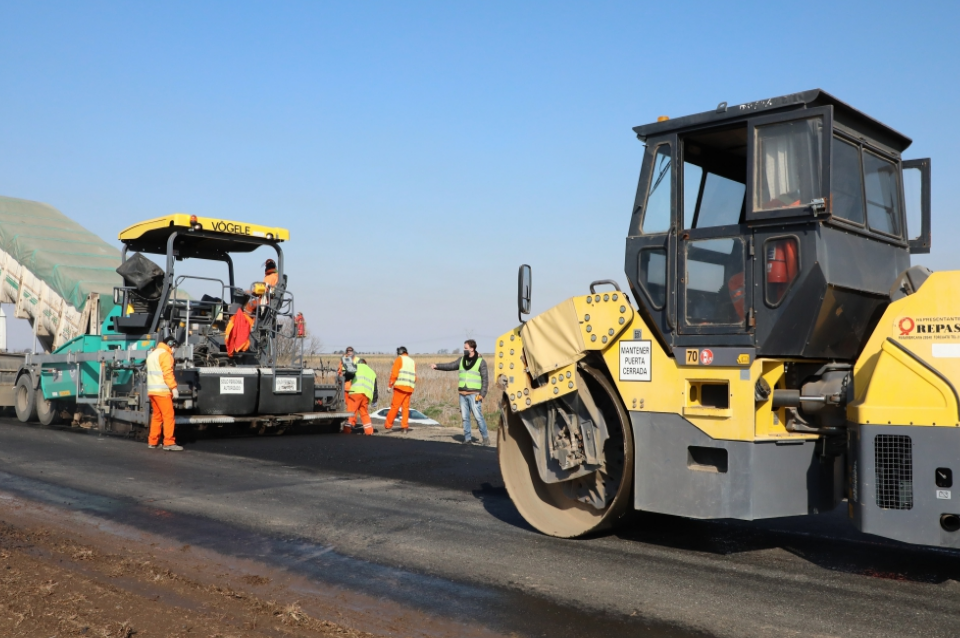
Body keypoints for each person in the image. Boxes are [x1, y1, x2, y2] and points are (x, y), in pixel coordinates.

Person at [431, 339, 490, 445]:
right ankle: (467, 439)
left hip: (475, 394)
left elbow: (485, 379)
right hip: (462, 393)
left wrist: (482, 394)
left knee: (478, 417)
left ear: (472, 349)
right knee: (465, 418)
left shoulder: (481, 362)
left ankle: (485, 438)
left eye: (466, 348)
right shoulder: (461, 360)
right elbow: (450, 366)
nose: (464, 350)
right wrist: (437, 366)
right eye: (464, 348)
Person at [147, 335, 182, 451]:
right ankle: (169, 442)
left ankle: (153, 442)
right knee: (168, 416)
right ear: (170, 344)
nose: (174, 349)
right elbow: (167, 373)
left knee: (157, 417)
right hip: (163, 392)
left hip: (152, 391)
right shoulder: (165, 355)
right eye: (174, 347)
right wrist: (174, 388)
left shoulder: (153, 354)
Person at [385, 346, 416, 433]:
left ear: (400, 353)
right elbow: (415, 377)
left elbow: (394, 374)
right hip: (409, 388)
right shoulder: (412, 361)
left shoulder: (399, 359)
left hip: (400, 387)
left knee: (395, 406)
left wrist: (390, 385)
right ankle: (404, 427)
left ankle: (388, 425)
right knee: (405, 408)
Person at [344, 358, 377, 435]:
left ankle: (347, 430)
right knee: (364, 413)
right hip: (366, 395)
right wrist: (374, 400)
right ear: (365, 364)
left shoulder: (356, 367)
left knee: (351, 412)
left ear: (359, 363)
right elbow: (375, 388)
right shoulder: (372, 372)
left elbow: (347, 376)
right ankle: (369, 431)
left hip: (355, 393)